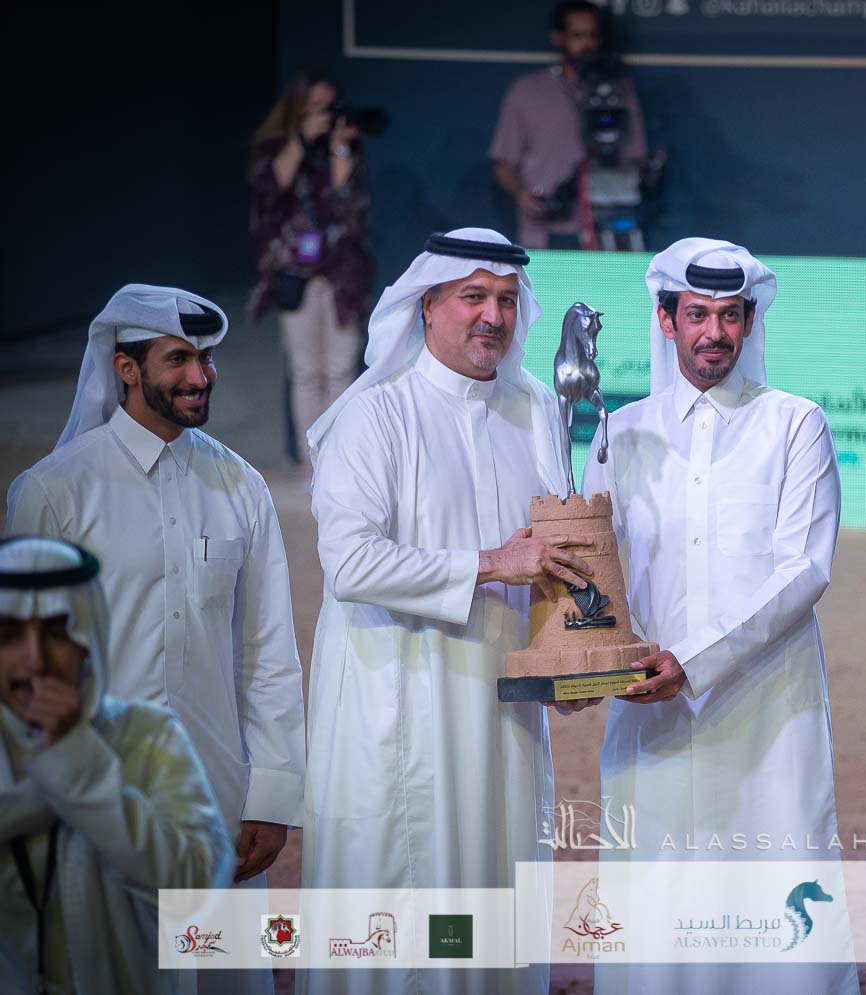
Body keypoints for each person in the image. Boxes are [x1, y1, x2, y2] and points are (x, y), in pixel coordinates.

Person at [301, 228, 590, 995]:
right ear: (427, 304)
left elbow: (553, 557)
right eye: (473, 297)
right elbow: (350, 562)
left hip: (505, 721)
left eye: (506, 299)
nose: (492, 315)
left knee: (499, 912)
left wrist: (569, 664)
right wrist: (492, 562)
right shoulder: (376, 415)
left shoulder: (534, 410)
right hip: (400, 712)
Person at [584, 238, 858, 994]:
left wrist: (694, 660)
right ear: (666, 320)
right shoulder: (619, 432)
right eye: (698, 314)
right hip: (650, 710)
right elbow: (592, 574)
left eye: (730, 315)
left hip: (768, 713)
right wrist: (583, 664)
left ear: (749, 321)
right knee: (657, 899)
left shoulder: (795, 424)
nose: (715, 332)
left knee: (774, 896)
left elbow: (804, 570)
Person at [4, 287, 304, 946]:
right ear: (127, 368)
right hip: (99, 806)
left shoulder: (242, 487)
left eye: (206, 358)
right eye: (178, 359)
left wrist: (270, 797)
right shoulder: (54, 492)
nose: (200, 376)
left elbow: (268, 653)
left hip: (218, 802)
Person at [0, 535, 232, 995]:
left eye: (57, 632)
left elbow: (196, 892)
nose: (36, 661)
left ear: (89, 639)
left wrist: (75, 761)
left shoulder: (147, 740)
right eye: (9, 636)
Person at [248, 69, 375, 467]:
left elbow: (347, 207)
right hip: (295, 275)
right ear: (298, 107)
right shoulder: (274, 145)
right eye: (315, 106)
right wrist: (301, 140)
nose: (324, 114)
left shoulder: (346, 149)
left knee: (340, 370)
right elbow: (271, 188)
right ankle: (310, 463)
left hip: (341, 276)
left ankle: (338, 462)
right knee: (306, 371)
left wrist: (340, 148)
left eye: (330, 106)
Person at [489, 0, 648, 250]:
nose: (587, 44)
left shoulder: (619, 90)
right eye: (578, 36)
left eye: (593, 36)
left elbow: (636, 157)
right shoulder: (527, 90)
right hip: (546, 228)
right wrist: (522, 193)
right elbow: (503, 163)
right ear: (558, 38)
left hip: (604, 230)